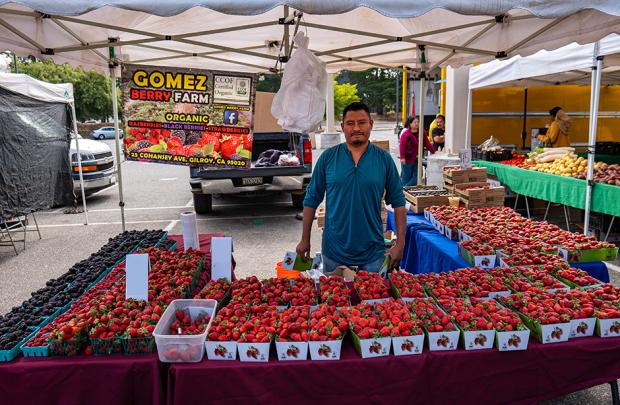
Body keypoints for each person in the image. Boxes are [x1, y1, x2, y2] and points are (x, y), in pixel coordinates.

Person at [296, 102, 407, 274]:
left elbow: (399, 203)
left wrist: (400, 244)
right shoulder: (328, 158)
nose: (356, 128)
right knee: (335, 300)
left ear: (371, 124)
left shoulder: (384, 159)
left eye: (362, 122)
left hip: (373, 253)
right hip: (334, 252)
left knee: (374, 300)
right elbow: (311, 200)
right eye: (350, 123)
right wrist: (305, 239)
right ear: (342, 127)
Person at [399, 115, 436, 186]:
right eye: (415, 122)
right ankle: (403, 193)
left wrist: (433, 151)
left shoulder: (422, 132)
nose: (417, 124)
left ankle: (404, 188)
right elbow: (402, 146)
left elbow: (427, 143)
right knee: (406, 177)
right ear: (410, 124)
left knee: (418, 176)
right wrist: (402, 157)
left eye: (418, 122)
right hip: (407, 159)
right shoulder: (406, 134)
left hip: (417, 159)